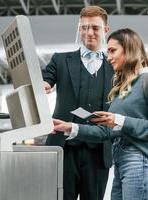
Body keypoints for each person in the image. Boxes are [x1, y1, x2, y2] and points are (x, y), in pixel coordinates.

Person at [52, 28, 148, 200]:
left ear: (130, 49)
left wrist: (119, 119)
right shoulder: (121, 90)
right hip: (120, 163)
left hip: (141, 161)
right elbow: (107, 132)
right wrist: (71, 127)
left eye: (112, 51)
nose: (108, 57)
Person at [42, 6, 114, 200]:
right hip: (64, 148)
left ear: (105, 30)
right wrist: (43, 85)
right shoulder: (61, 60)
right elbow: (45, 79)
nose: (89, 32)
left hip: (99, 152)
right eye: (84, 27)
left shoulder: (115, 66)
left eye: (95, 28)